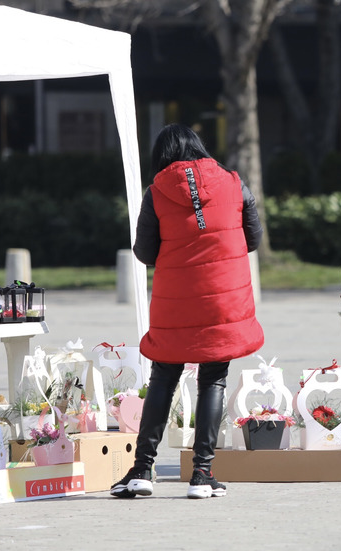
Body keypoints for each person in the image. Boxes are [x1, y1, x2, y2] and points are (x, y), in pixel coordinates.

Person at [110, 123, 265, 498]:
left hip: (175, 300)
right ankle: (202, 475)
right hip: (223, 299)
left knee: (164, 376)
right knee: (213, 378)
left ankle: (142, 470)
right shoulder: (232, 182)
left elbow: (145, 252)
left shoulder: (157, 191)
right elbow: (253, 237)